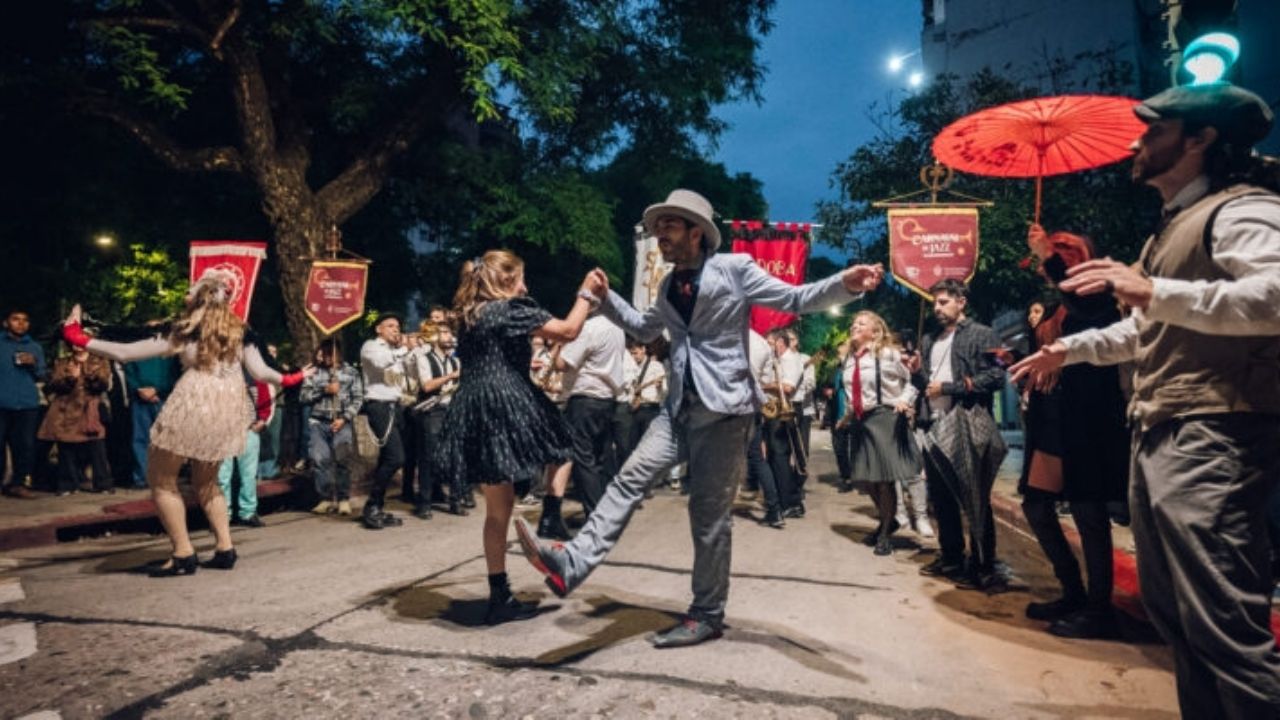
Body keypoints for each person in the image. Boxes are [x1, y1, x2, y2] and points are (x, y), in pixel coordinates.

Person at [1010, 82, 1280, 718]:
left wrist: (1155, 292)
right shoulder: (1172, 228)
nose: (1137, 144)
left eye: (1154, 131)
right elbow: (1142, 331)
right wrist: (1067, 350)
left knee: (1223, 627)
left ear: (1200, 139)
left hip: (1215, 429)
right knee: (1177, 618)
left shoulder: (1240, 211)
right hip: (1162, 430)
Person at [514, 189, 884, 647]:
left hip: (725, 413)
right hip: (677, 411)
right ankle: (572, 563)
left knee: (708, 517)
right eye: (658, 227)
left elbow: (794, 298)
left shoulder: (735, 268)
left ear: (697, 232)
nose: (660, 234)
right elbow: (645, 328)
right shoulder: (668, 285)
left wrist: (846, 283)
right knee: (627, 481)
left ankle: (707, 613)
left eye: (669, 225)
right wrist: (606, 298)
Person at [59, 270, 309, 576]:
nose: (184, 295)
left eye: (190, 291)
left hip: (193, 402)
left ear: (199, 298)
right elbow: (262, 373)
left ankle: (182, 554)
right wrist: (293, 377)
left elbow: (125, 352)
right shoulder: (240, 331)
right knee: (207, 482)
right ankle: (225, 549)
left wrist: (77, 337)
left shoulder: (186, 330)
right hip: (228, 408)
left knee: (162, 480)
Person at [434, 250, 604, 625]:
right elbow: (568, 330)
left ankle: (500, 595)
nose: (525, 287)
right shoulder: (509, 309)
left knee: (498, 509)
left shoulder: (469, 314)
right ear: (507, 279)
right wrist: (586, 293)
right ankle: (550, 514)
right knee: (563, 445)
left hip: (471, 404)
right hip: (503, 399)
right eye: (521, 279)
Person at [1017, 227, 1130, 640]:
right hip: (1051, 418)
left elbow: (1089, 310)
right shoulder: (1053, 309)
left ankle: (1099, 609)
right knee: (1037, 505)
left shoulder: (1099, 298)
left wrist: (1047, 254)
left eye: (1058, 258)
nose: (1045, 268)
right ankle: (1072, 591)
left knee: (1089, 513)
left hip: (1090, 420)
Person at [913, 279, 1007, 591]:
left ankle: (983, 566)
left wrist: (950, 388)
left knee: (975, 498)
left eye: (943, 302)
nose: (937, 308)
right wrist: (914, 371)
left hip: (967, 422)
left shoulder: (984, 334)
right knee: (941, 498)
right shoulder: (929, 339)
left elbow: (997, 375)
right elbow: (925, 385)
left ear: (961, 302)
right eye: (935, 303)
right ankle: (951, 557)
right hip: (933, 424)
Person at [837, 311, 920, 556]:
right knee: (864, 478)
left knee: (883, 479)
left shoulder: (889, 354)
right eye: (854, 323)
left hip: (885, 417)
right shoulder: (848, 359)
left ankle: (884, 533)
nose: (855, 326)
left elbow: (913, 380)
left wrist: (904, 401)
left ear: (875, 332)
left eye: (861, 323)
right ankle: (889, 520)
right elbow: (854, 392)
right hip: (861, 421)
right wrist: (846, 417)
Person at [554, 306, 626, 516]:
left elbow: (562, 364)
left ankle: (595, 516)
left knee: (584, 459)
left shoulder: (589, 328)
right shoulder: (617, 329)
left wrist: (559, 343)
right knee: (600, 458)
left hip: (585, 398)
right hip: (607, 399)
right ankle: (606, 510)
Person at [38, 342, 115, 495]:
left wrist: (89, 375)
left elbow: (103, 385)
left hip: (90, 410)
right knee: (66, 447)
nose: (77, 345)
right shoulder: (62, 362)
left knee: (97, 446)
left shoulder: (100, 361)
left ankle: (103, 483)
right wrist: (71, 378)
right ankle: (68, 484)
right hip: (65, 410)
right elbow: (55, 385)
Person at [358, 314, 411, 530]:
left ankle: (377, 506)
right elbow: (381, 363)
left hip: (395, 406)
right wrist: (403, 349)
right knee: (396, 458)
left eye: (397, 326)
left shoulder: (394, 351)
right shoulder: (371, 346)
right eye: (390, 326)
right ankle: (371, 504)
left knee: (387, 458)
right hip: (379, 405)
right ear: (379, 329)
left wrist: (416, 348)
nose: (395, 329)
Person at [301, 338, 363, 516]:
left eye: (330, 353)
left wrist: (344, 418)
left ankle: (343, 498)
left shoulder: (351, 372)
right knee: (320, 460)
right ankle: (325, 498)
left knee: (343, 459)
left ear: (338, 353)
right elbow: (304, 397)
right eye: (324, 352)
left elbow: (358, 398)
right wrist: (324, 390)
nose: (327, 356)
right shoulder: (314, 372)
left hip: (342, 422)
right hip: (318, 422)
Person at [410, 323, 464, 519]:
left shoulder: (455, 361)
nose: (449, 336)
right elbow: (427, 386)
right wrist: (451, 376)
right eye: (444, 333)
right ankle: (424, 503)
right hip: (432, 411)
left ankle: (456, 501)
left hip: (453, 410)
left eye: (450, 332)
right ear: (434, 337)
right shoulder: (424, 359)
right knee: (428, 457)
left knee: (456, 457)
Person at [759, 329, 806, 525]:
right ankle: (786, 499)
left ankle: (790, 502)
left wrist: (763, 386)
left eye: (770, 343)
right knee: (774, 456)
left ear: (780, 342)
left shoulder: (790, 360)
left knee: (780, 457)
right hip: (775, 410)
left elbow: (787, 387)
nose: (767, 347)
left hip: (784, 410)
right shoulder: (778, 361)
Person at [216, 375, 272, 527]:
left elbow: (265, 399)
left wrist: (263, 419)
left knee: (249, 475)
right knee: (223, 475)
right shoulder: (218, 373)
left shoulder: (254, 374)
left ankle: (248, 512)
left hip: (249, 428)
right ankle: (223, 515)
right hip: (224, 430)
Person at [1, 310, 45, 498]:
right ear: (6, 323)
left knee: (25, 445)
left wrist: (33, 363)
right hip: (2, 402)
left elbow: (42, 374)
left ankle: (19, 484)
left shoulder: (34, 347)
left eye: (25, 320)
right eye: (16, 319)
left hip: (27, 404)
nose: (21, 323)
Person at [123, 354, 178, 489]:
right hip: (140, 399)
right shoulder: (137, 348)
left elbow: (174, 373)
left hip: (163, 399)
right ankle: (142, 478)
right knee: (140, 439)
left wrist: (158, 390)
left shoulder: (168, 349)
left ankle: (165, 477)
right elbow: (129, 370)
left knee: (165, 440)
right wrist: (139, 389)